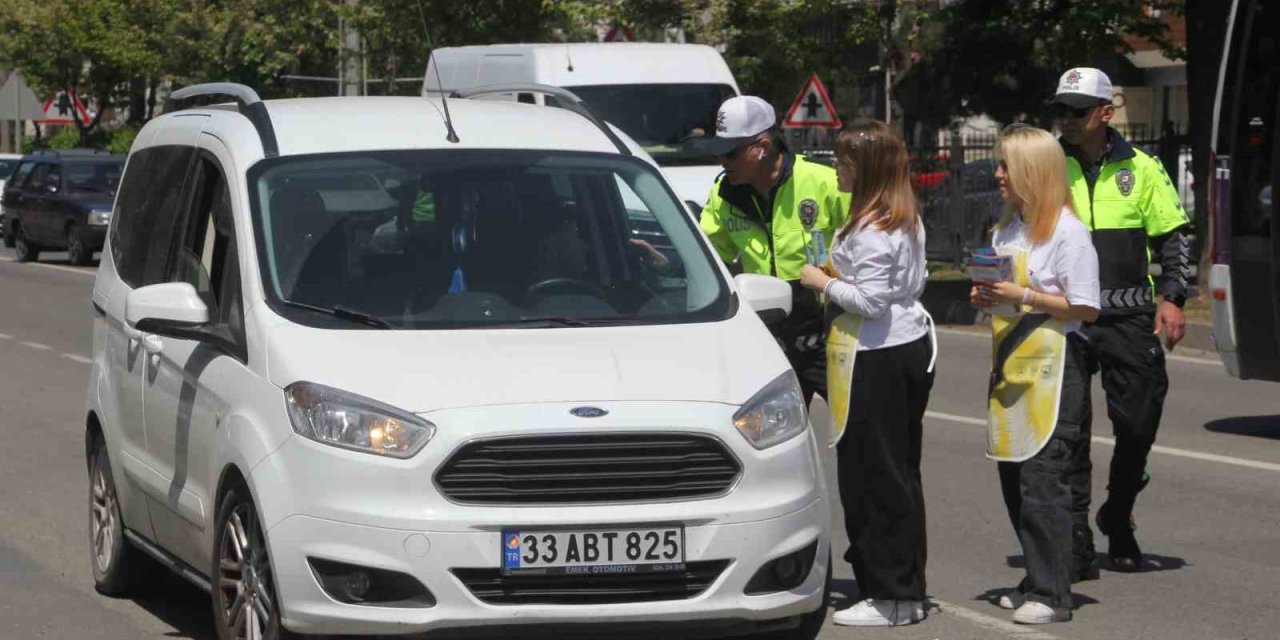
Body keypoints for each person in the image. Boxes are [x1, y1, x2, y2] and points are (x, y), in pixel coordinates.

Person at [1049, 67, 1192, 574]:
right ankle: (1075, 538)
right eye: (1060, 110)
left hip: (1128, 316)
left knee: (1136, 426)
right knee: (1069, 433)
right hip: (1064, 316)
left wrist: (1173, 298)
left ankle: (1119, 512)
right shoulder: (1047, 164)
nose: (1065, 119)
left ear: (1106, 113)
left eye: (1076, 110)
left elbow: (1173, 237)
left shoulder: (1145, 169)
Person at [798, 119, 935, 627]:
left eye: (843, 161)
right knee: (896, 472)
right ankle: (901, 585)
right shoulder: (899, 217)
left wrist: (822, 282)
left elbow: (873, 302)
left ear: (866, 168)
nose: (836, 168)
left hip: (878, 353)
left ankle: (893, 594)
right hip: (900, 346)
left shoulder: (876, 229)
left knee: (876, 475)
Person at [973, 124, 1100, 624]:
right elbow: (1002, 290)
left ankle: (1052, 594)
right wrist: (986, 295)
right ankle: (1036, 575)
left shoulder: (1069, 232)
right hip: (1011, 362)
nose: (998, 174)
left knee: (1044, 480)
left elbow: (1086, 308)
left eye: (1006, 165)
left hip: (1054, 369)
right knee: (1015, 474)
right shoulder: (1007, 228)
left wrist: (1023, 296)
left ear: (1032, 172)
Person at [695, 96, 850, 402]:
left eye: (730, 153)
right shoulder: (723, 194)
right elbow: (710, 257)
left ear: (762, 148)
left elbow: (868, 242)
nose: (721, 161)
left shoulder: (824, 182)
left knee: (857, 431)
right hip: (768, 339)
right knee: (777, 439)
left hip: (829, 335)